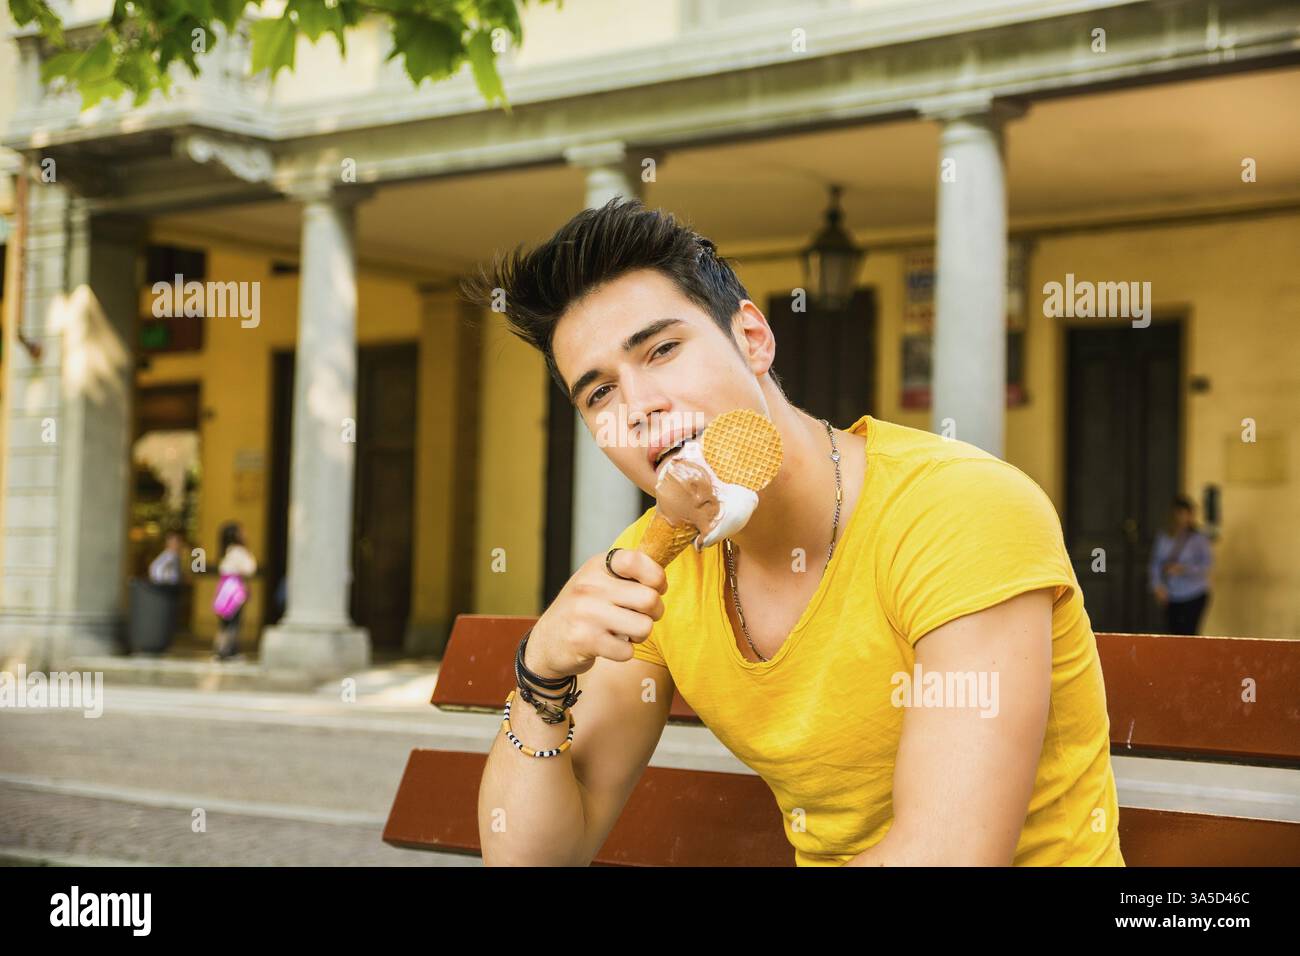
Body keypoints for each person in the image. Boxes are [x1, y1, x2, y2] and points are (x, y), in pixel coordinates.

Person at [464, 198, 1124, 866]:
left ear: (752, 338)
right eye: (599, 393)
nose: (638, 409)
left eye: (662, 350)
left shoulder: (959, 510)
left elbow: (947, 855)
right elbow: (530, 859)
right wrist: (541, 674)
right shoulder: (651, 571)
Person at [1149, 495, 1213, 635]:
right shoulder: (1164, 537)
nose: (1183, 518)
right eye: (1180, 514)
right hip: (1171, 593)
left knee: (1189, 633)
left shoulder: (1198, 538)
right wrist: (1157, 586)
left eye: (1187, 514)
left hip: (1194, 592)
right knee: (1172, 634)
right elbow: (1155, 563)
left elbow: (1206, 565)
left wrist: (1184, 569)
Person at [213, 521, 257, 661]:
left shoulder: (227, 550)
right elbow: (250, 568)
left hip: (224, 588)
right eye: (242, 531)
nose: (245, 534)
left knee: (225, 621)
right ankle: (229, 651)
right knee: (234, 621)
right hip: (234, 589)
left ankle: (220, 649)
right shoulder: (239, 551)